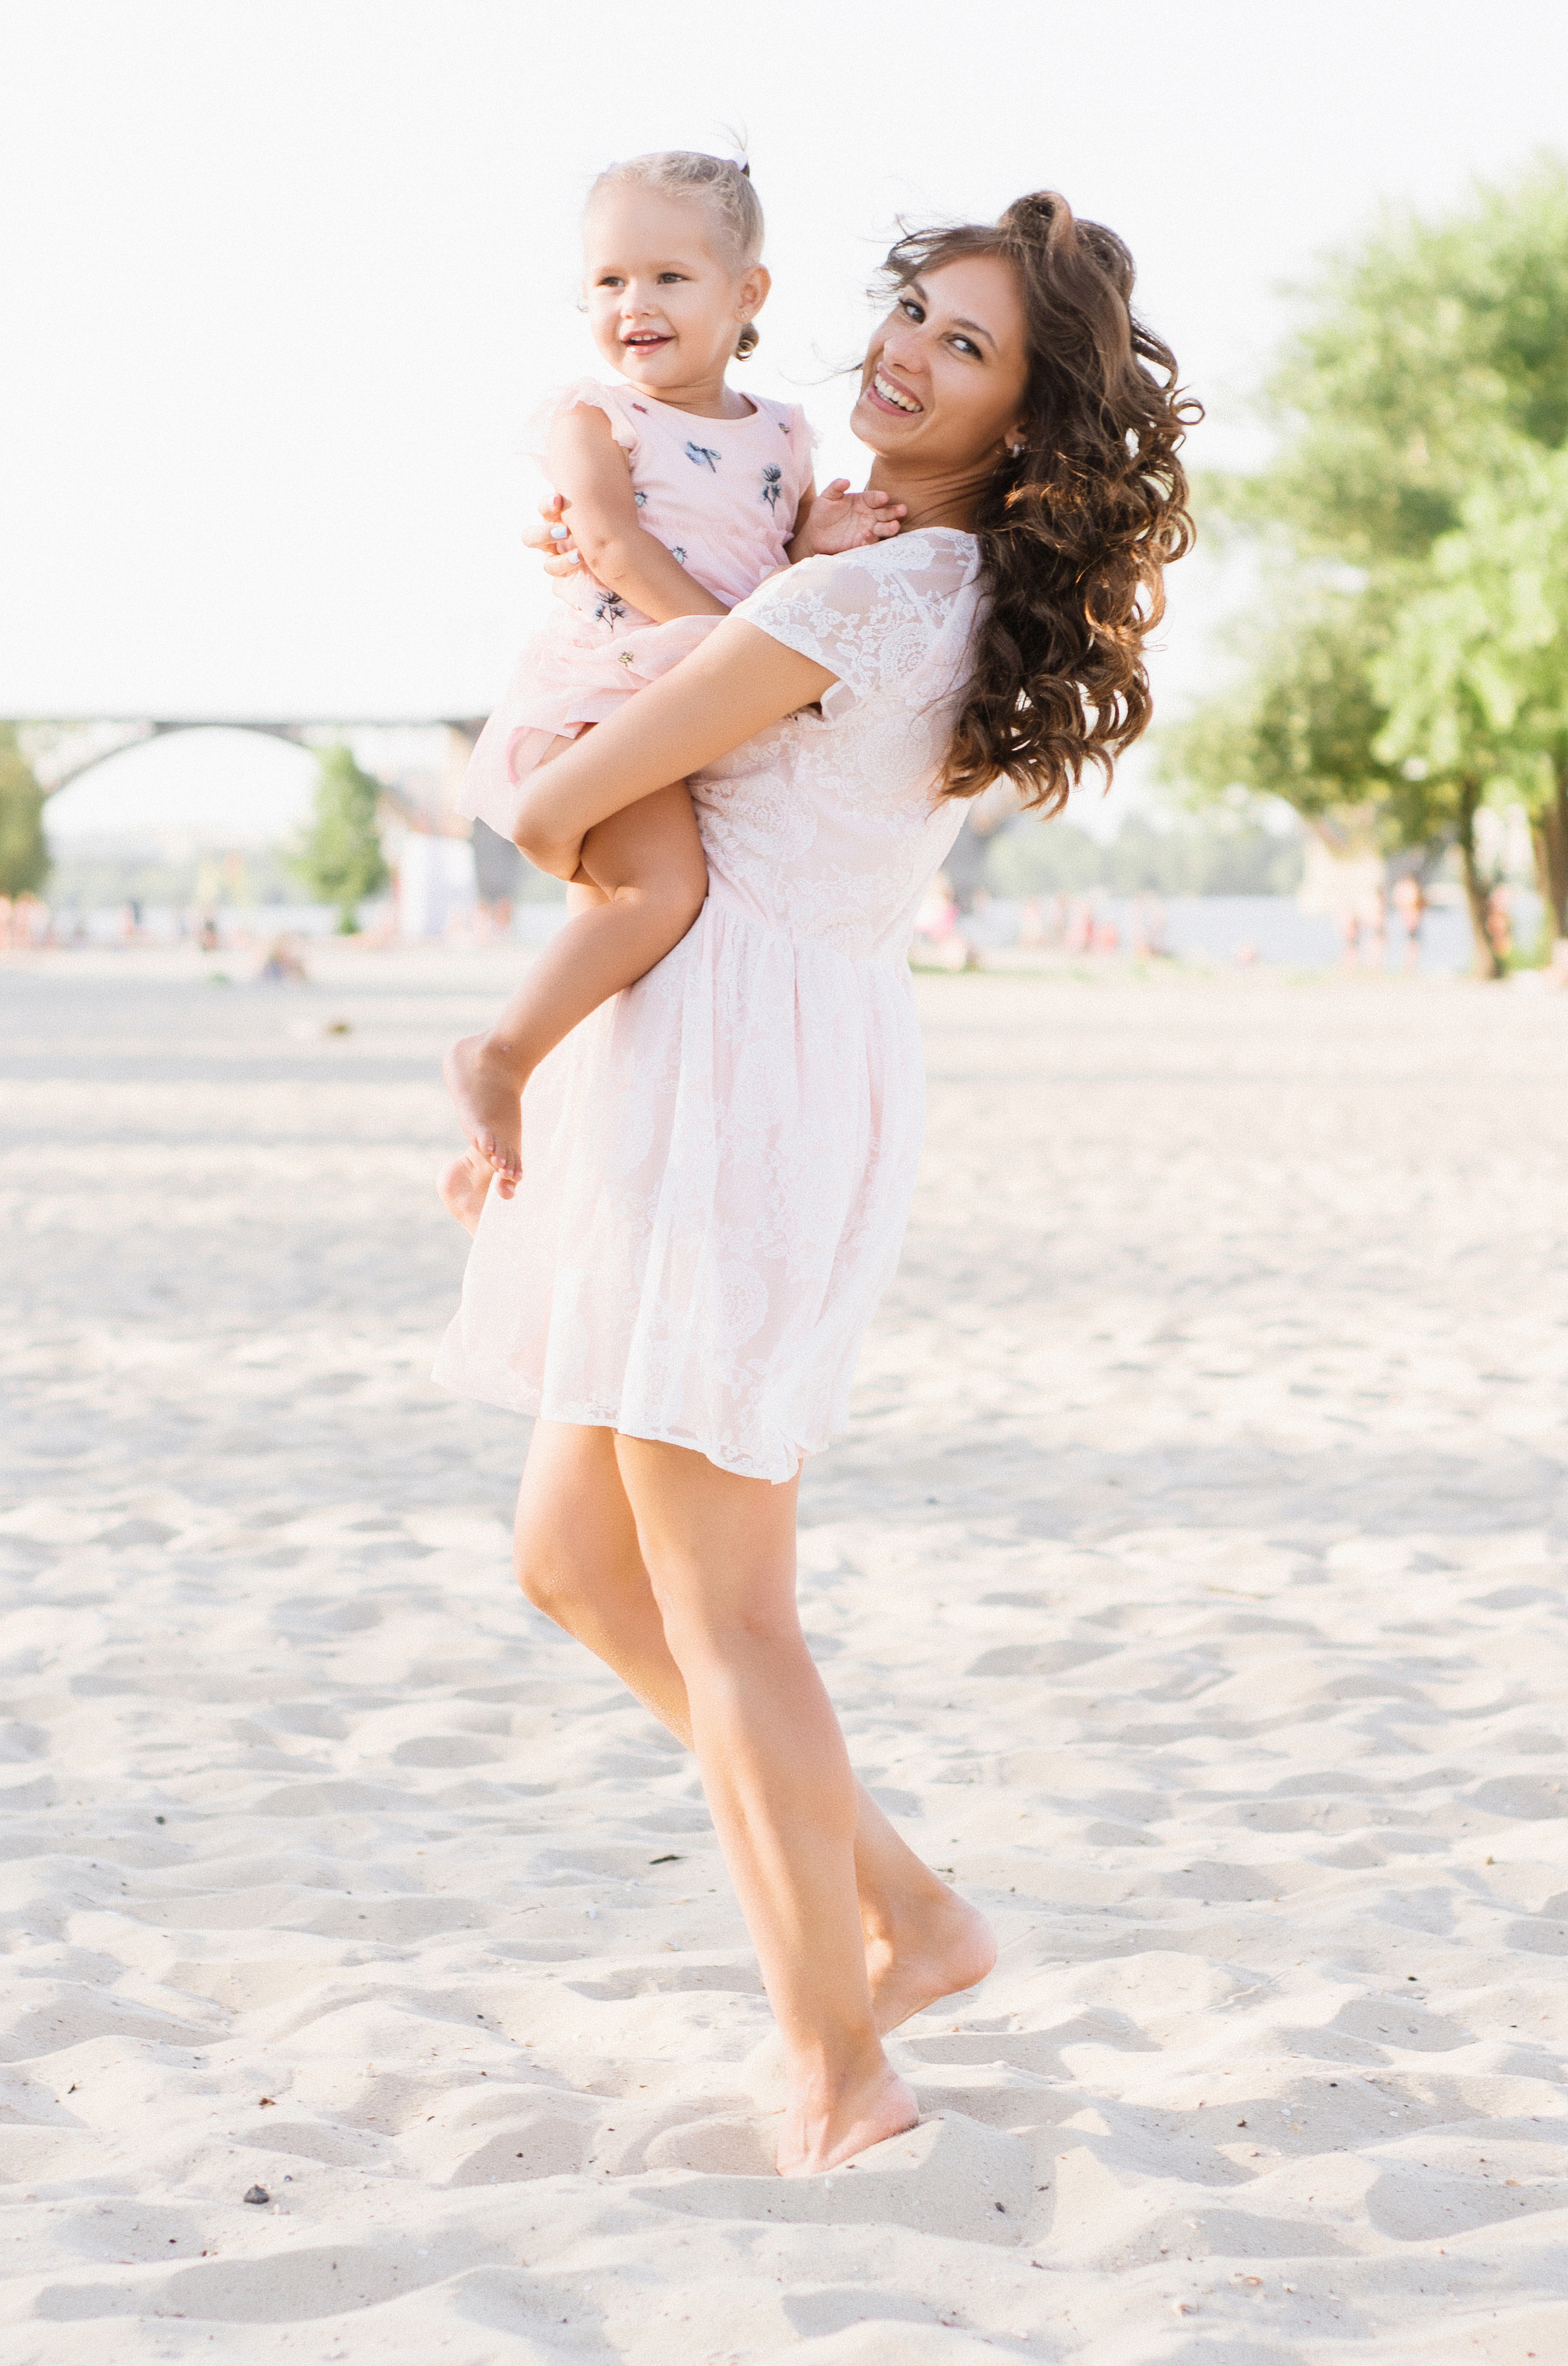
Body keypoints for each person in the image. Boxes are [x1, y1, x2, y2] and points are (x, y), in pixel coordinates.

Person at [434, 191, 1196, 2174]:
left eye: (967, 350)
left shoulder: (862, 597)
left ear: (1032, 422)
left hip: (734, 1087)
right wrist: (687, 581)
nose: (907, 359)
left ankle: (840, 2065)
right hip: (744, 1057)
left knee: (731, 1608)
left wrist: (605, 632)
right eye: (913, 319)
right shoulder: (876, 571)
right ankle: (918, 1913)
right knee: (577, 1563)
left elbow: (563, 799)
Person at [440, 152, 906, 1227]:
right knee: (660, 897)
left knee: (634, 970)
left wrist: (815, 538)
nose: (633, 304)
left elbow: (772, 564)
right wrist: (721, 642)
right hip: (608, 701)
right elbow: (606, 541)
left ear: (748, 294)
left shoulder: (786, 431)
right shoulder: (594, 419)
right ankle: (499, 1055)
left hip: (696, 705)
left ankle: (509, 1157)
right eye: (609, 281)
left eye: (669, 278)